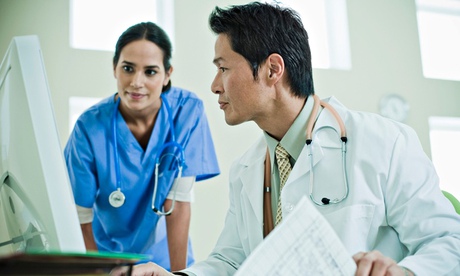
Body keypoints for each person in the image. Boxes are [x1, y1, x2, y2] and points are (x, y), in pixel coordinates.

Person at [114, 3, 460, 275]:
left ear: (272, 69)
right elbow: (232, 262)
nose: (214, 85)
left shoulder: (384, 143)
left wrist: (406, 271)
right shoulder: (246, 171)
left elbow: (449, 241)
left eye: (223, 68)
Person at [64, 22, 220, 271]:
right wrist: (96, 272)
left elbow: (178, 203)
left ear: (167, 74)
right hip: (107, 259)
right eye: (128, 68)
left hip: (166, 259)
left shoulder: (187, 111)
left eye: (150, 72)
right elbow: (81, 217)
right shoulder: (89, 128)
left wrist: (177, 274)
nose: (137, 82)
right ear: (114, 68)